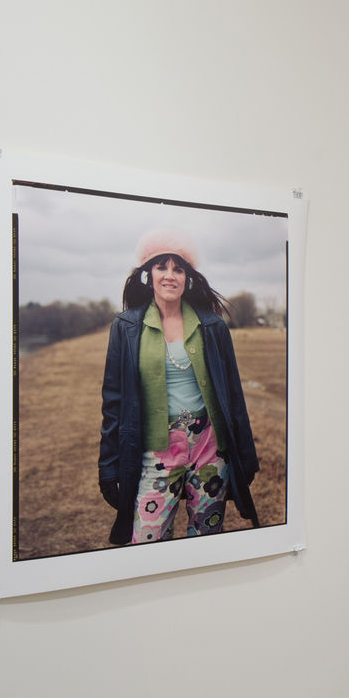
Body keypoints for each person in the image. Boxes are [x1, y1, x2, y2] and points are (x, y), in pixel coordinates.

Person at [99, 229, 260, 545]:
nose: (170, 275)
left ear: (188, 278)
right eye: (161, 267)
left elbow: (234, 398)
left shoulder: (212, 326)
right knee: (147, 540)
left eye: (179, 269)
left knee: (206, 538)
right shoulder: (126, 327)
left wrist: (246, 457)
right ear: (148, 275)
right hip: (156, 450)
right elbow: (113, 402)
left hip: (209, 448)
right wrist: (108, 467)